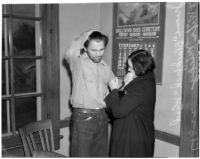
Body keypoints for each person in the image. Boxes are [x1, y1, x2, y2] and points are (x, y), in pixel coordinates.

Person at [65, 30, 115, 157]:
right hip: (83, 117)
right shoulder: (78, 62)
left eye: (101, 49)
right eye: (94, 50)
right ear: (85, 48)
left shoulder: (104, 66)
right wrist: (87, 34)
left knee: (101, 156)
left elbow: (114, 85)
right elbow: (70, 51)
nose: (99, 54)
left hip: (102, 117)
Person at [105, 49, 156, 157]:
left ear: (140, 68)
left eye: (131, 67)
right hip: (133, 134)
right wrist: (125, 86)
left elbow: (117, 111)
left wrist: (114, 89)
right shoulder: (146, 79)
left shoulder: (141, 86)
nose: (128, 69)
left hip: (133, 139)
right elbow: (126, 102)